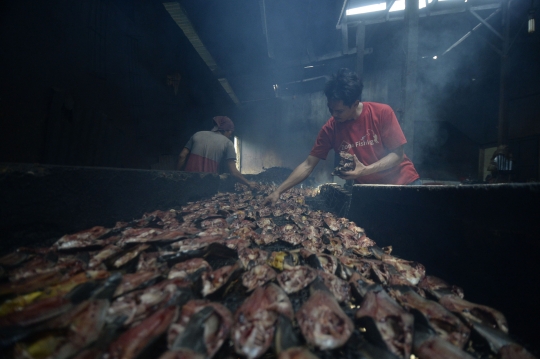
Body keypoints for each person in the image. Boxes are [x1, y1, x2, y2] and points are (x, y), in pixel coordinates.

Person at [265, 68, 420, 205]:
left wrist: (364, 171)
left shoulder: (381, 113)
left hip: (404, 185)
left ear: (355, 103)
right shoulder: (330, 129)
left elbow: (398, 155)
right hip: (369, 192)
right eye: (330, 109)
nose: (333, 115)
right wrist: (278, 191)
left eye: (339, 111)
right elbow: (308, 165)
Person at [177, 116, 258, 189]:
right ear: (228, 131)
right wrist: (248, 183)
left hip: (188, 182)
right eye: (231, 133)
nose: (230, 136)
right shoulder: (227, 143)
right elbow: (233, 172)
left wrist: (178, 175)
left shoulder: (197, 134)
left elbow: (182, 156)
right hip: (207, 185)